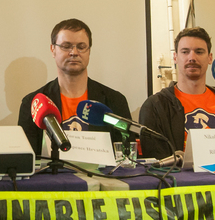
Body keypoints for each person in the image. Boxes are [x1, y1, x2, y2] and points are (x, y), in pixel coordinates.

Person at [138, 27, 215, 160]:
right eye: (185, 52)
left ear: (210, 58)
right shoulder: (156, 107)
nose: (192, 57)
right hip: (185, 181)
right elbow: (156, 165)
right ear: (175, 57)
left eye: (199, 52)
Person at [17, 18, 131, 153]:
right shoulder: (33, 103)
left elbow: (127, 153)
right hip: (51, 174)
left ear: (89, 51)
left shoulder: (115, 101)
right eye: (66, 46)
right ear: (52, 49)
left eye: (81, 47)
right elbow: (27, 157)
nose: (74, 52)